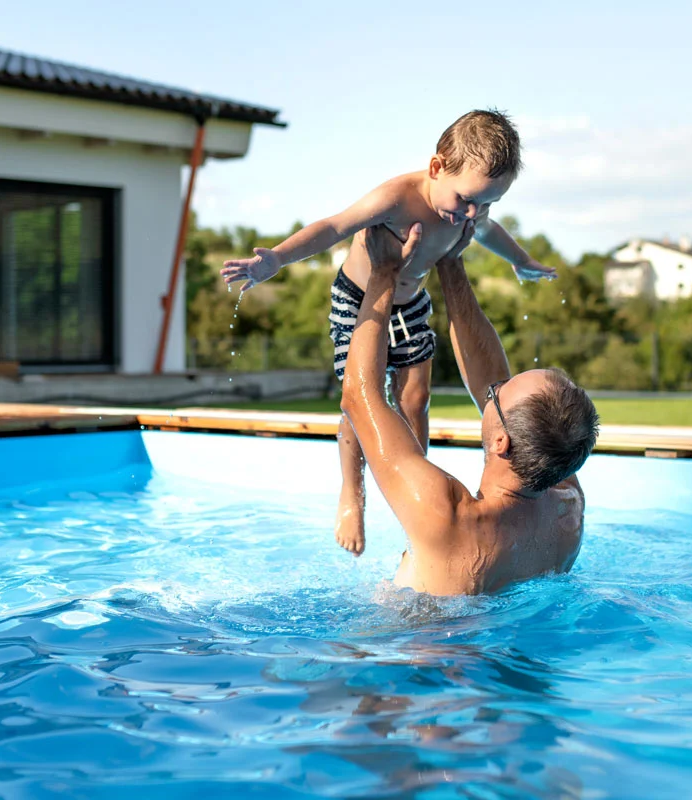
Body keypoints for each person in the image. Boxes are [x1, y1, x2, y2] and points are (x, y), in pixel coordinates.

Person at [220, 110, 556, 557]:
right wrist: (277, 260)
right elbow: (334, 227)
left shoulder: (465, 210)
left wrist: (522, 261)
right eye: (466, 199)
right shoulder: (397, 198)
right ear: (436, 167)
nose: (472, 215)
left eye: (488, 203)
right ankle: (351, 495)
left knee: (416, 398)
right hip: (359, 301)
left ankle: (417, 488)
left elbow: (490, 233)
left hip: (412, 303)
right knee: (362, 400)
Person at [339, 220, 599, 595]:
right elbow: (489, 375)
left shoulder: (448, 517)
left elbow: (359, 397)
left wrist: (384, 272)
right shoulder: (567, 505)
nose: (493, 386)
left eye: (499, 392)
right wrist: (450, 262)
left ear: (501, 444)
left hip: (417, 643)